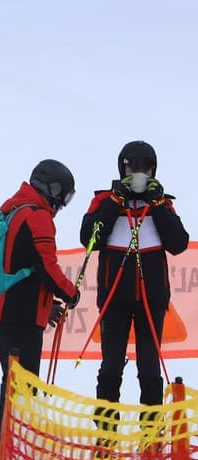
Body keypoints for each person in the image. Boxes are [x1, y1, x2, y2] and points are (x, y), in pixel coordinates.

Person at [80, 141, 189, 409]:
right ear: (122, 168)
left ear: (153, 171)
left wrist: (159, 205)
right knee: (111, 364)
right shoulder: (105, 200)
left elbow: (178, 243)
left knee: (150, 365)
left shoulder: (161, 203)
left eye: (144, 168)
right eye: (132, 167)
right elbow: (89, 239)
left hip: (151, 298)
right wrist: (116, 201)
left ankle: (150, 436)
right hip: (114, 296)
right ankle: (105, 433)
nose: (138, 173)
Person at [0, 159, 81, 378]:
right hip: (21, 321)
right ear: (52, 188)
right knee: (23, 394)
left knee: (13, 389)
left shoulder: (15, 210)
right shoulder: (37, 216)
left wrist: (44, 307)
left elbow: (23, 267)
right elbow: (46, 265)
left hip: (5, 315)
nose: (62, 204)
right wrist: (71, 293)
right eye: (64, 196)